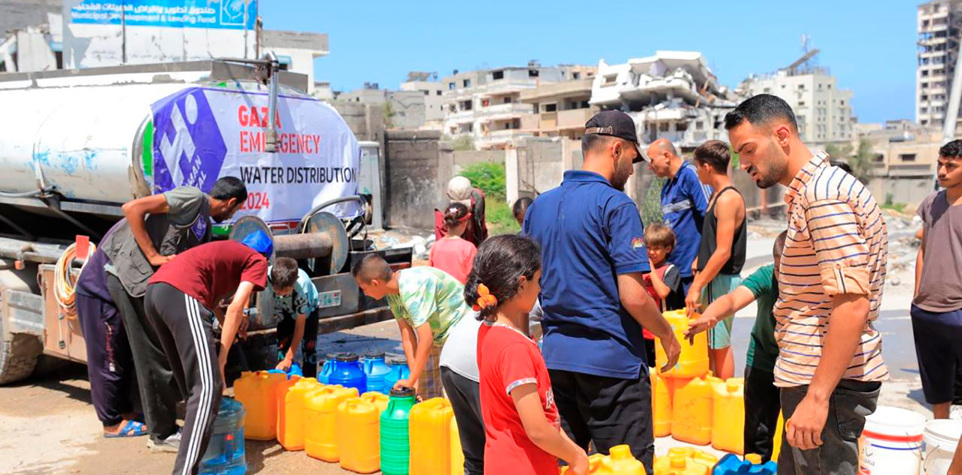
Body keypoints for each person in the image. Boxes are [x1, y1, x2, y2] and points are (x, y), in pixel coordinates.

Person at [727, 94, 888, 475]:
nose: (743, 163)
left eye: (748, 149)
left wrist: (817, 398)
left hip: (825, 383)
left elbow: (851, 304)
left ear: (782, 135)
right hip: (814, 376)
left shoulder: (823, 196)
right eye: (738, 153)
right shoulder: (812, 191)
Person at [523, 110, 681, 472]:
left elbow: (525, 292)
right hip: (613, 369)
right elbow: (633, 294)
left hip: (556, 362)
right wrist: (667, 336)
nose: (632, 168)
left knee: (568, 465)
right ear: (617, 149)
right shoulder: (616, 205)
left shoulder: (538, 207)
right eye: (632, 158)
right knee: (627, 466)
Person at [96, 177, 247, 451]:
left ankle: (158, 420)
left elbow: (202, 284)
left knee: (161, 354)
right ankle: (162, 434)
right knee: (155, 357)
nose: (233, 215)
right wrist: (153, 255)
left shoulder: (204, 229)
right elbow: (132, 208)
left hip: (152, 286)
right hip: (132, 278)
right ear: (231, 203)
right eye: (236, 210)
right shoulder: (193, 198)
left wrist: (225, 320)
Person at [144, 232, 271, 475]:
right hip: (182, 292)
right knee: (208, 388)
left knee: (194, 391)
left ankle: (196, 466)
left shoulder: (227, 253)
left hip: (155, 293)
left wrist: (226, 325)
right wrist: (221, 360)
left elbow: (216, 304)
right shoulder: (257, 260)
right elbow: (235, 308)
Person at [470, 234, 589, 475]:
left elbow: (546, 413)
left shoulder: (490, 330)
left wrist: (570, 447)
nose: (540, 287)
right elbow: (536, 429)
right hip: (522, 465)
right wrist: (575, 456)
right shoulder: (514, 348)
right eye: (538, 280)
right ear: (521, 284)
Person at [687, 231, 787, 462]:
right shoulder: (766, 276)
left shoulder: (813, 281)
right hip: (762, 361)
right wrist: (710, 316)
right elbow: (732, 300)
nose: (786, 275)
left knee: (795, 438)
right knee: (757, 436)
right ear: (775, 263)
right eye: (781, 268)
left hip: (798, 366)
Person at [352, 255, 471, 399]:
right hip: (438, 333)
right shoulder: (393, 294)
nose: (364, 293)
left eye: (363, 288)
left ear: (375, 283)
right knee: (425, 391)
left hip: (460, 330)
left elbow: (425, 340)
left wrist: (412, 378)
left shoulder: (412, 289)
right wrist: (414, 379)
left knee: (451, 393)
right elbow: (407, 336)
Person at [75, 222, 145, 438]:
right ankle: (111, 423)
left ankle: (123, 411)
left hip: (112, 298)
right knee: (107, 361)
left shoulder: (143, 223)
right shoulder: (139, 225)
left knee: (120, 358)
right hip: (99, 296)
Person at [687, 140, 747, 380]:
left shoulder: (727, 199)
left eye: (697, 167)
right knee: (710, 346)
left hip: (720, 282)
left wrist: (696, 285)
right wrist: (699, 258)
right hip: (713, 280)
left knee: (719, 346)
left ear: (707, 166)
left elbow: (723, 252)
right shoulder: (716, 196)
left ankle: (724, 402)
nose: (697, 172)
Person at [912, 139, 962, 420]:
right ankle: (940, 441)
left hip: (959, 310)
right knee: (937, 389)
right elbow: (923, 250)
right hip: (927, 310)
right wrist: (917, 295)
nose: (942, 172)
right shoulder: (931, 203)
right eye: (940, 165)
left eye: (951, 166)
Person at [646, 138, 711, 294]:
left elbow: (711, 218)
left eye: (651, 160)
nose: (649, 167)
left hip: (694, 272)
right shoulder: (666, 188)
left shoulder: (691, 175)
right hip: (675, 274)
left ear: (667, 156)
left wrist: (702, 258)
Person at [265, 257, 320, 378]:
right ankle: (283, 379)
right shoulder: (268, 274)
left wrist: (289, 358)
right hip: (284, 308)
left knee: (309, 349)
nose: (278, 293)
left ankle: (310, 382)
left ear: (293, 284)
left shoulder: (302, 289)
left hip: (308, 311)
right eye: (276, 289)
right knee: (282, 346)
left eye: (284, 291)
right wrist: (244, 312)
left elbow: (300, 327)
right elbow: (249, 285)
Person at [641, 223, 685, 364]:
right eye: (648, 248)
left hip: (662, 331)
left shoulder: (671, 270)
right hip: (644, 331)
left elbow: (662, 292)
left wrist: (650, 268)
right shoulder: (640, 270)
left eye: (656, 248)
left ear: (667, 249)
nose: (651, 252)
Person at [430, 202, 478, 284]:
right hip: (460, 295)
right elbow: (473, 277)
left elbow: (430, 274)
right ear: (465, 222)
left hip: (440, 295)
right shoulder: (469, 248)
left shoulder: (435, 246)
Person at [435, 176, 488, 247]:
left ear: (471, 194)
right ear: (448, 195)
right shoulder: (441, 211)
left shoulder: (478, 199)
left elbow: (481, 226)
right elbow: (442, 242)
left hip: (474, 245)